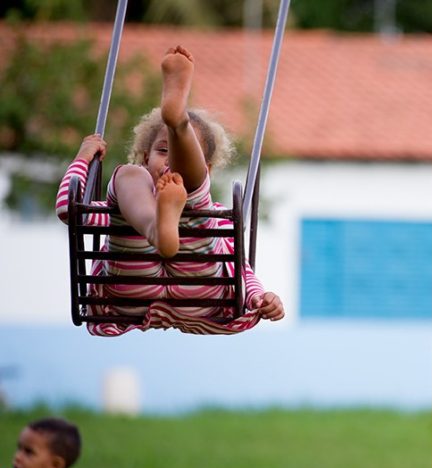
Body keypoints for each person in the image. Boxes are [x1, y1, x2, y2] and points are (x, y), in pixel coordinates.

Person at [55, 45, 285, 336]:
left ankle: (177, 124)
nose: (168, 163)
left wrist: (81, 159)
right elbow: (241, 269)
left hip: (131, 291)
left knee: (175, 191)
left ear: (208, 169)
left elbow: (69, 210)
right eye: (162, 151)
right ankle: (157, 221)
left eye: (176, 155)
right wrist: (258, 296)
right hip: (197, 293)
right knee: (131, 177)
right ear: (145, 156)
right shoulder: (211, 217)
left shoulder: (211, 216)